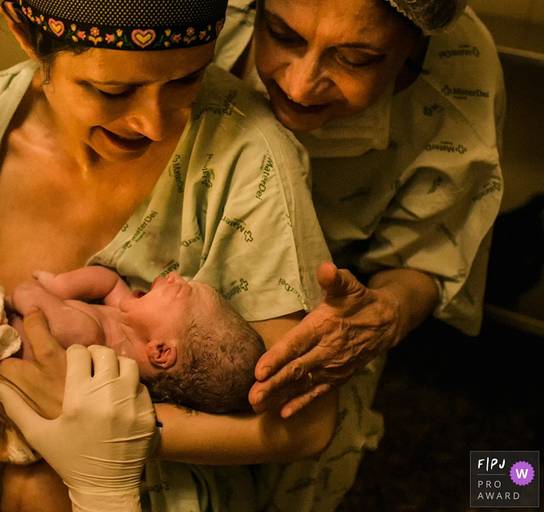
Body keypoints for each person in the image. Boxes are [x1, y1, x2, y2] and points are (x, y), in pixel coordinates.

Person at [0, 0, 339, 510]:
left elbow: (304, 424)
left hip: (126, 481)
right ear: (24, 35)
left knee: (41, 490)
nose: (153, 124)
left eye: (185, 80)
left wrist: (121, 440)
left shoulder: (250, 161)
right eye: (112, 89)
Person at [209, 0, 504, 508]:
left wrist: (381, 315)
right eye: (282, 34)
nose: (300, 86)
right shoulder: (199, 14)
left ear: (415, 48)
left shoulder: (459, 83)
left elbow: (426, 257)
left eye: (356, 58)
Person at [11, 266, 265, 414]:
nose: (175, 275)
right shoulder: (127, 329)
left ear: (161, 351)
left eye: (179, 290)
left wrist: (48, 293)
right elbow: (109, 284)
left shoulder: (87, 335)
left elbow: (23, 295)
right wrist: (62, 286)